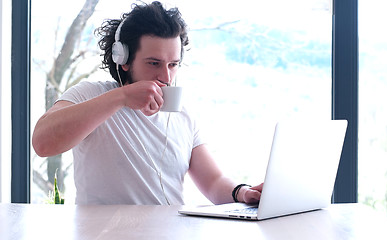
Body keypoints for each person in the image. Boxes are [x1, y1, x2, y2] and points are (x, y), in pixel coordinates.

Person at [32, 1, 262, 205]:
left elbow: (214, 183)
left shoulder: (182, 115)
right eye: (154, 63)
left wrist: (242, 193)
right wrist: (121, 97)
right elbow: (43, 143)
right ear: (123, 59)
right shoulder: (91, 94)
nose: (166, 76)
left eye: (173, 64)